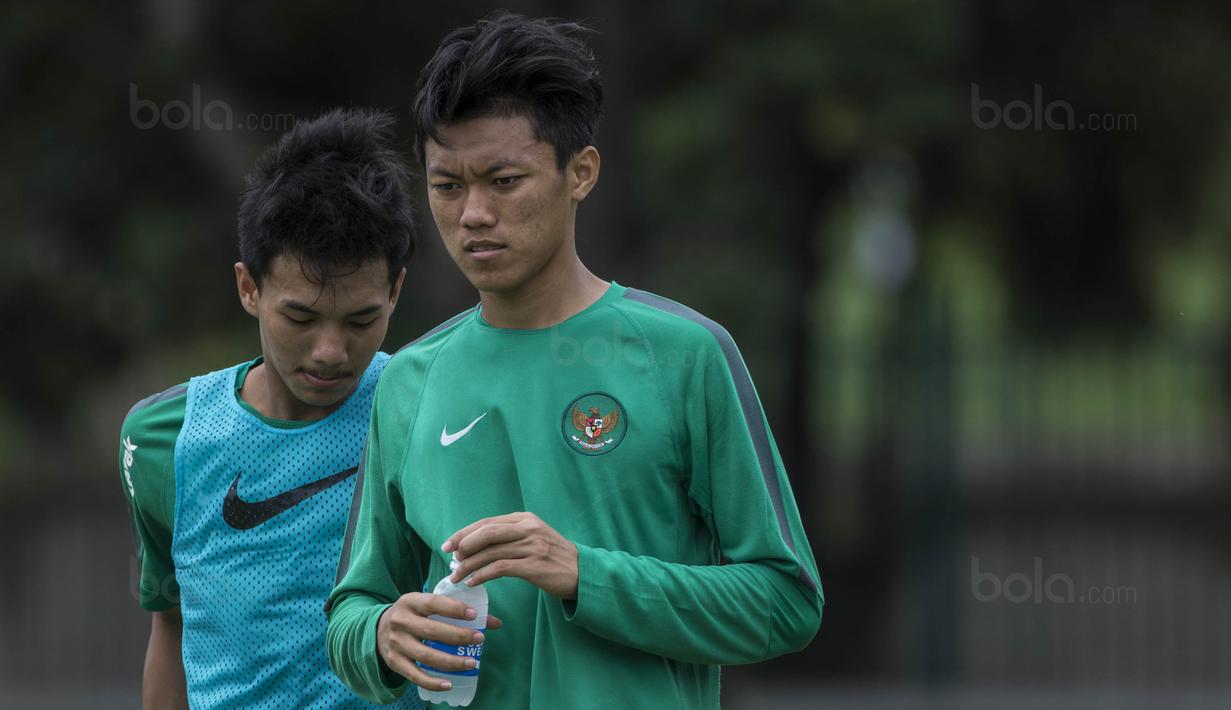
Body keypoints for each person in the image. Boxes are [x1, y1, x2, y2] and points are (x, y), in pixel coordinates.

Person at [326, 13, 823, 709]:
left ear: (580, 173)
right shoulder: (409, 377)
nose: (473, 214)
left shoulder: (684, 355)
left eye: (504, 181)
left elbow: (785, 600)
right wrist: (381, 634)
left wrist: (585, 575)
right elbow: (352, 609)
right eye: (447, 186)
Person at [119, 108, 424, 709]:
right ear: (248, 288)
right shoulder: (161, 440)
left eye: (361, 320)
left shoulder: (424, 407)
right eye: (301, 317)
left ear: (394, 292)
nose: (330, 351)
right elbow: (171, 624)